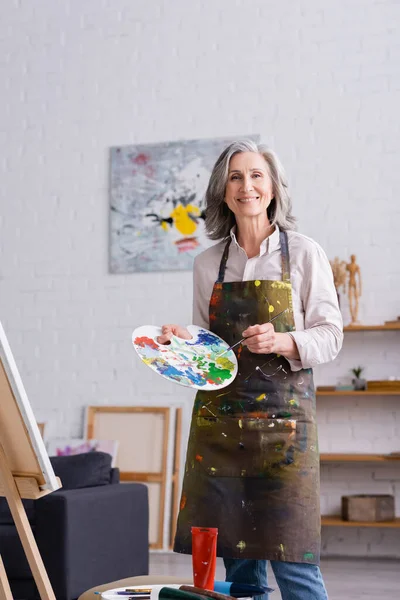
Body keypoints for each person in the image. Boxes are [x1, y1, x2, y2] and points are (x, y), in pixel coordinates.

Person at [158, 140, 343, 600]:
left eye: (256, 175)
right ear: (224, 192)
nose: (247, 186)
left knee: (295, 562)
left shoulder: (303, 253)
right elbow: (210, 349)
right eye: (236, 177)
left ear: (274, 187)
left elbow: (331, 335)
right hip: (221, 432)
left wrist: (283, 341)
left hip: (284, 433)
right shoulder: (207, 264)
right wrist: (181, 343)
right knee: (242, 573)